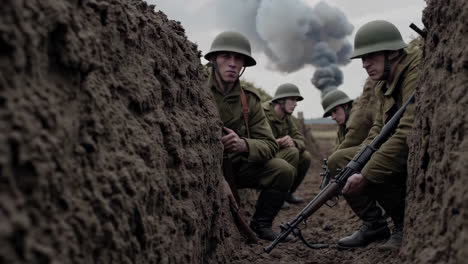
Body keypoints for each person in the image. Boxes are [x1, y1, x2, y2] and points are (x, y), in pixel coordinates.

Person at [330, 20, 421, 250]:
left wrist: (366, 174)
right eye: (362, 58)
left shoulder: (415, 69)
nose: (364, 65)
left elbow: (408, 131)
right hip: (398, 147)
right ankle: (375, 225)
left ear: (392, 52)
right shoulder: (383, 82)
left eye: (370, 56)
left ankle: (403, 226)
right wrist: (356, 162)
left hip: (413, 152)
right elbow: (377, 131)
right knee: (340, 162)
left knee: (373, 166)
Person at [205, 31, 296, 241]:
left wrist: (243, 145)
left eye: (238, 58)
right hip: (205, 168)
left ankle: (261, 225)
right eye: (226, 57)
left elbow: (270, 145)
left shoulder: (250, 100)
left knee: (283, 169)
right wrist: (217, 177)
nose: (232, 63)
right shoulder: (196, 91)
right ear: (212, 60)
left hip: (238, 168)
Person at [322, 83, 389, 248]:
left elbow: (340, 155)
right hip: (372, 157)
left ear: (345, 106)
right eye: (330, 113)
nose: (333, 116)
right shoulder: (343, 125)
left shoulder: (356, 118)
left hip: (383, 157)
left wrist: (331, 181)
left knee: (343, 169)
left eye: (335, 111)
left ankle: (375, 224)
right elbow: (338, 149)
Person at [262, 83, 312, 208]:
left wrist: (293, 142)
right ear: (280, 100)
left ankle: (286, 193)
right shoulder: (263, 113)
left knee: (305, 157)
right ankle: (276, 197)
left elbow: (301, 139)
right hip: (263, 156)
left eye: (296, 100)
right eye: (292, 99)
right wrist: (277, 142)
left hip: (278, 155)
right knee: (292, 152)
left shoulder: (287, 116)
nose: (296, 104)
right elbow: (257, 141)